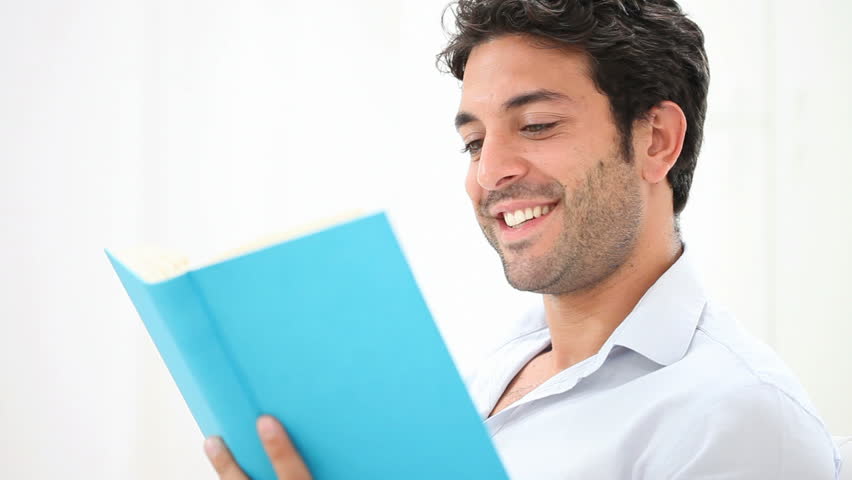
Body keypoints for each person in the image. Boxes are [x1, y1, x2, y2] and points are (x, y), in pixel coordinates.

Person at [203, 0, 841, 478]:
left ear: (656, 141)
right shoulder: (486, 369)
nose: (489, 172)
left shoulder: (743, 422)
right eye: (474, 142)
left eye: (535, 125)